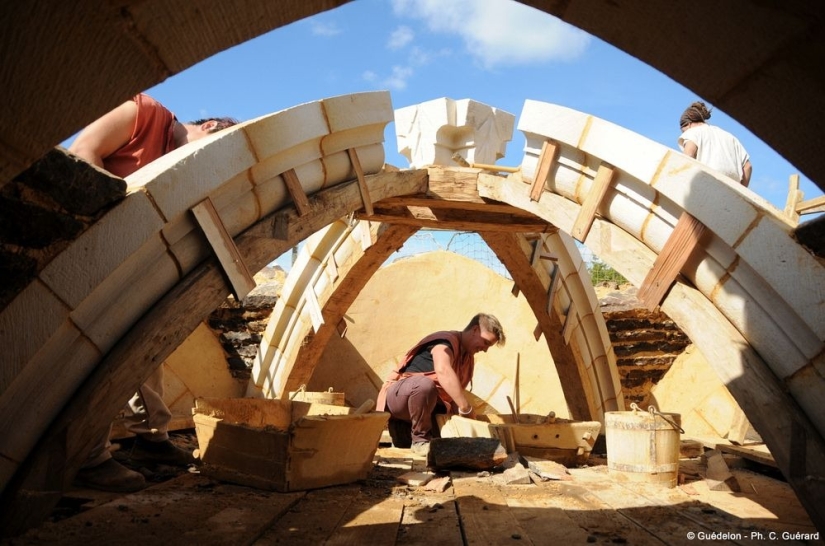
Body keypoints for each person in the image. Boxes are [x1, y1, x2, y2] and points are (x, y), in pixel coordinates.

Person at [68, 93, 238, 492]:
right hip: (89, 252)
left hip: (126, 266)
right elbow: (83, 153)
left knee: (147, 346)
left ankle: (151, 439)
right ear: (209, 127)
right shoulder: (143, 111)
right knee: (94, 353)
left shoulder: (176, 166)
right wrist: (117, 232)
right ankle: (88, 458)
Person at [376, 313, 506, 456]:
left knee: (449, 435)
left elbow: (452, 396)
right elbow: (443, 370)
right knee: (425, 385)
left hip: (426, 408)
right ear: (475, 330)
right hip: (398, 399)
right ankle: (420, 441)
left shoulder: (467, 358)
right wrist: (465, 407)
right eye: (486, 342)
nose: (485, 349)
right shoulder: (445, 342)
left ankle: (404, 433)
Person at [677, 101, 752, 187]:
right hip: (732, 188)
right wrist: (741, 189)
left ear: (688, 124)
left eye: (683, 131)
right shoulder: (730, 137)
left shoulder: (692, 132)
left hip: (707, 184)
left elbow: (688, 156)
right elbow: (748, 167)